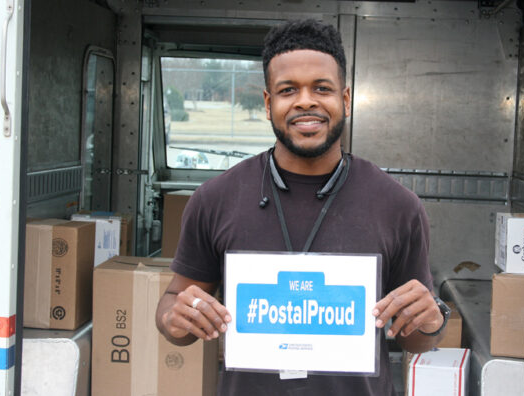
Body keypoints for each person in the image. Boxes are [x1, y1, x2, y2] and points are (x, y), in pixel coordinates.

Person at [156, 18, 447, 395]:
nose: (305, 101)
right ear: (268, 103)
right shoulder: (215, 199)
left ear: (345, 99)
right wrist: (173, 318)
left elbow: (416, 341)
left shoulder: (397, 206)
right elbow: (173, 308)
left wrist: (430, 322)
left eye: (321, 89)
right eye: (288, 89)